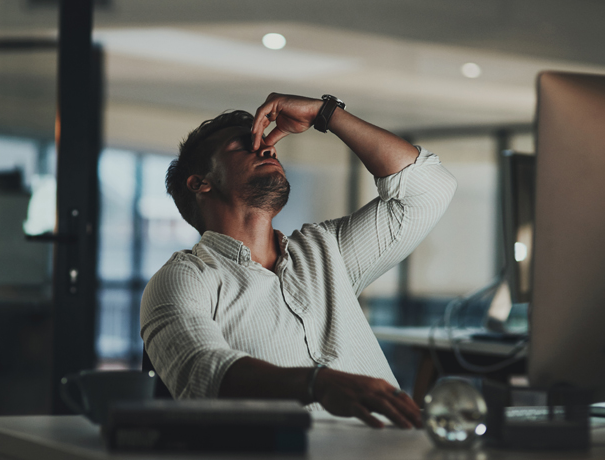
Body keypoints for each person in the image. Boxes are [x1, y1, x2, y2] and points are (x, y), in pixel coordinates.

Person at [140, 93, 457, 429]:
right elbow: (204, 373)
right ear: (199, 183)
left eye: (265, 143)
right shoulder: (182, 279)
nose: (267, 149)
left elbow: (430, 188)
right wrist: (317, 383)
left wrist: (327, 114)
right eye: (243, 146)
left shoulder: (327, 249)